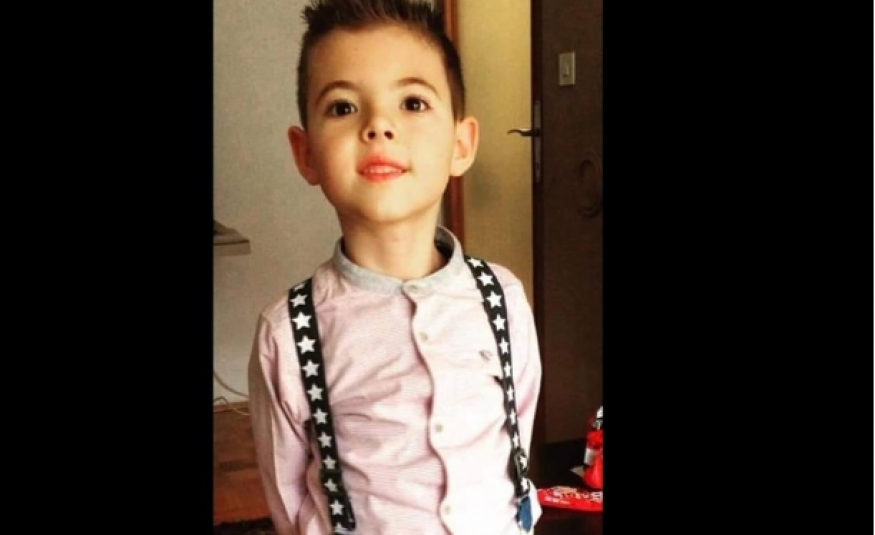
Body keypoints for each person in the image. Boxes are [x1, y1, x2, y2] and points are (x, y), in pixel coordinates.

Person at [247, 1, 543, 533]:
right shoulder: (287, 333)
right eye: (343, 107)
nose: (379, 126)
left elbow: (514, 436)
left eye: (412, 102)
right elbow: (289, 503)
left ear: (460, 145)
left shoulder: (503, 298)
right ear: (306, 153)